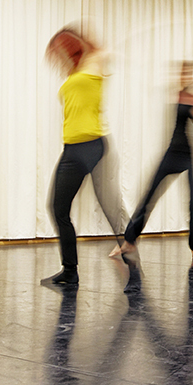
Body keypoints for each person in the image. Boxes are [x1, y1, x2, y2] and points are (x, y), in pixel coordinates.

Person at [42, 23, 129, 286]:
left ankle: (134, 270)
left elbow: (106, 52)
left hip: (94, 146)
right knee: (57, 207)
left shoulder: (94, 62)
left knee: (111, 209)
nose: (60, 53)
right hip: (71, 149)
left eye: (63, 46)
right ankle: (70, 271)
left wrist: (87, 39)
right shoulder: (72, 74)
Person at [112, 60, 193, 263]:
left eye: (187, 73)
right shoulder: (177, 94)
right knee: (149, 195)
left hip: (188, 155)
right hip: (171, 152)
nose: (182, 76)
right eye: (181, 73)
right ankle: (129, 241)